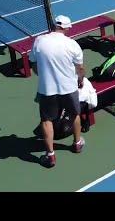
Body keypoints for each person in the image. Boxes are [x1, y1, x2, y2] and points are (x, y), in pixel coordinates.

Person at [28, 15, 86, 168]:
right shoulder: (72, 44)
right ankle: (77, 144)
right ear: (66, 28)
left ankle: (50, 156)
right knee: (74, 114)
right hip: (69, 88)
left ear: (54, 25)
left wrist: (41, 75)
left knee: (46, 120)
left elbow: (33, 63)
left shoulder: (39, 41)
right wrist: (80, 79)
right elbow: (80, 68)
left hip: (47, 90)